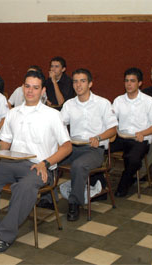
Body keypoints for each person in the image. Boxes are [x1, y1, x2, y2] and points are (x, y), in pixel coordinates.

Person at [0, 71, 72, 254]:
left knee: (24, 187)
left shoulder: (52, 115)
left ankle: (4, 234)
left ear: (43, 90)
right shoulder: (13, 113)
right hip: (12, 163)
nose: (30, 91)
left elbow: (67, 147)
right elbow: (5, 144)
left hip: (40, 167)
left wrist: (46, 162)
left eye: (35, 87)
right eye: (27, 86)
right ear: (22, 87)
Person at [59, 68, 117, 221]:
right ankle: (46, 197)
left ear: (90, 83)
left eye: (82, 81)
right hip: (73, 147)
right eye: (75, 81)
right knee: (49, 158)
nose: (78, 85)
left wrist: (99, 136)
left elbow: (113, 129)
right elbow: (59, 125)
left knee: (79, 165)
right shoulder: (69, 104)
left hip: (94, 149)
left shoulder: (103, 103)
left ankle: (74, 203)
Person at [111, 67, 152, 197]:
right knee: (98, 149)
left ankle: (124, 183)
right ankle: (99, 184)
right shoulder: (118, 100)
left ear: (139, 83)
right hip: (121, 137)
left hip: (140, 138)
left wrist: (143, 133)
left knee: (133, 159)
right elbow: (110, 120)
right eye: (126, 81)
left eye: (132, 81)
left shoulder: (148, 101)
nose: (129, 84)